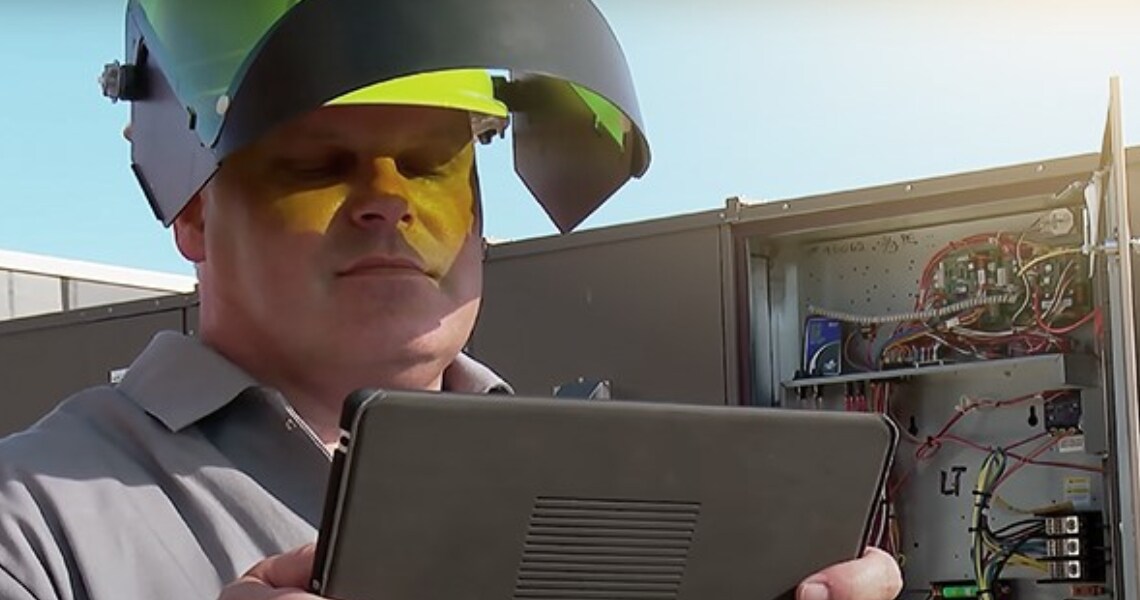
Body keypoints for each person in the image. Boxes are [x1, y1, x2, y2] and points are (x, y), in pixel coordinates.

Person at [0, 2, 903, 599]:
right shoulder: (32, 521)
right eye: (318, 163)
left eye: (433, 165)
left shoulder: (610, 497)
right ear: (194, 216)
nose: (388, 199)